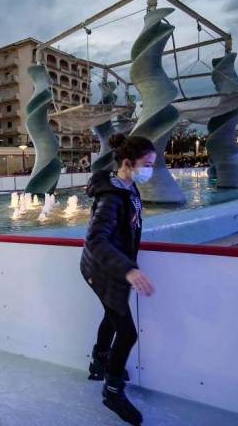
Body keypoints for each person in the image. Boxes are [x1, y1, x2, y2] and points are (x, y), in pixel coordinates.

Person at [80, 134, 157, 426]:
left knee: (112, 318)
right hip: (103, 270)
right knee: (127, 333)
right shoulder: (111, 197)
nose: (150, 169)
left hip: (113, 266)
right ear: (128, 163)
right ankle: (112, 390)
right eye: (147, 164)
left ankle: (99, 361)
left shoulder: (126, 183)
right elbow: (96, 240)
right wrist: (129, 269)